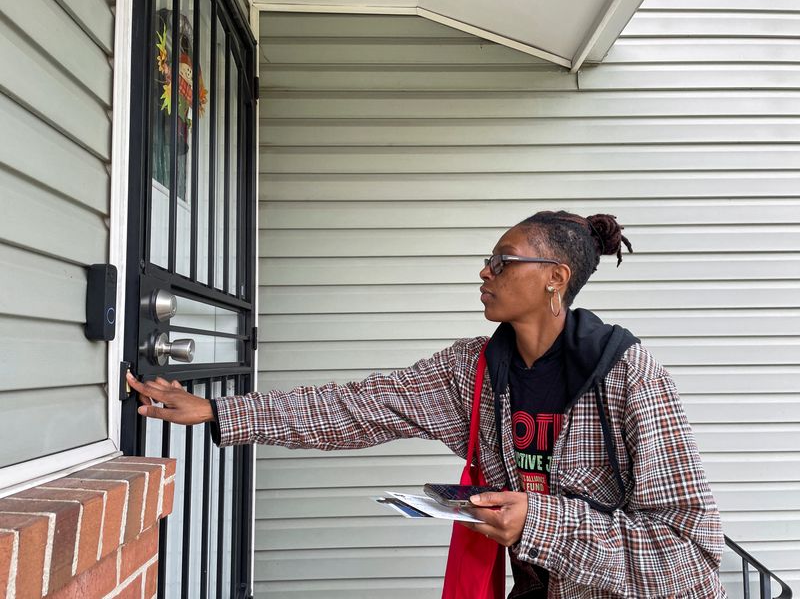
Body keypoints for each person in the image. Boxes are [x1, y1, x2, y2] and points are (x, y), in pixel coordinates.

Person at [127, 210, 727, 598]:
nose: (484, 272)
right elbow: (357, 408)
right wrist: (220, 412)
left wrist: (537, 524)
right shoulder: (474, 370)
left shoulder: (626, 374)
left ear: (555, 277)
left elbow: (693, 560)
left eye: (503, 260)